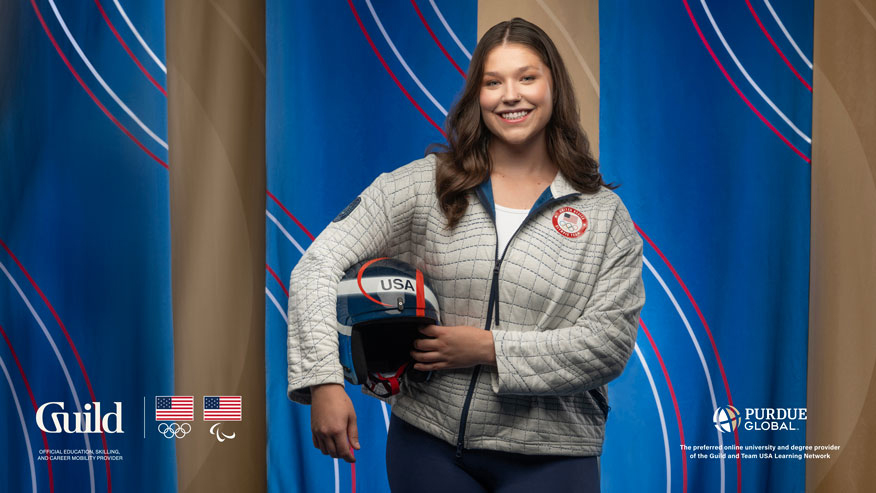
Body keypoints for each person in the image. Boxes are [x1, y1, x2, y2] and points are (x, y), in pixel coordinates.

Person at [287, 17, 644, 493]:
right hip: (429, 446)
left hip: (553, 453)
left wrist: (486, 348)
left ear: (553, 86)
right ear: (478, 95)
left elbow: (608, 344)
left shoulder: (602, 214)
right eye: (493, 82)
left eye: (527, 77)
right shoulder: (423, 185)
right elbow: (317, 264)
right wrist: (324, 383)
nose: (510, 95)